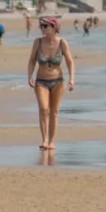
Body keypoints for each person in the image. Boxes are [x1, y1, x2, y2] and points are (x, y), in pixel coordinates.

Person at [27, 15, 75, 150]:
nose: (42, 28)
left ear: (54, 27)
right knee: (43, 109)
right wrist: (29, 76)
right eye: (41, 26)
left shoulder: (62, 43)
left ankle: (52, 142)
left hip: (58, 82)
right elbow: (31, 60)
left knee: (54, 112)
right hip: (41, 81)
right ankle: (44, 140)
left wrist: (72, 79)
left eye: (45, 26)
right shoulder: (38, 42)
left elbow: (70, 62)